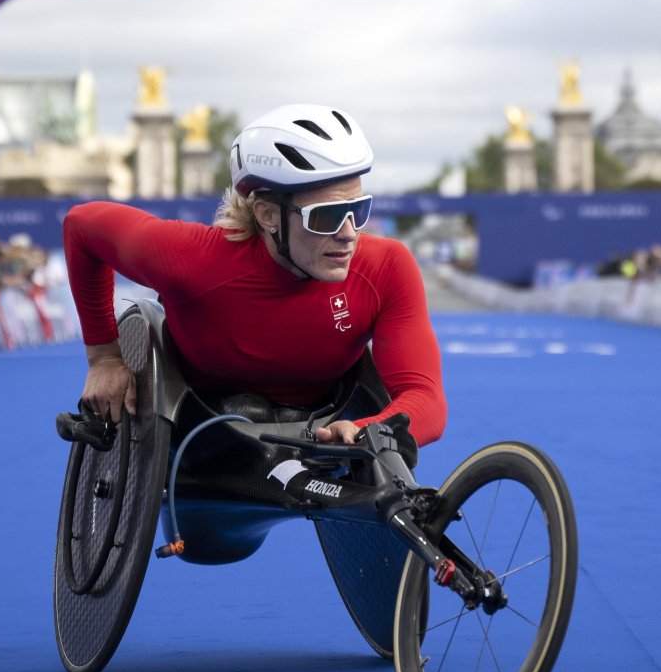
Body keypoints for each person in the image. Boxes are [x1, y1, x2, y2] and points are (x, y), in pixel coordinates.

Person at [64, 104, 446, 449]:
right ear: (266, 215)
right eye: (326, 216)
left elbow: (424, 396)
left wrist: (368, 431)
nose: (348, 233)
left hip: (327, 425)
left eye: (357, 211)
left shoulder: (387, 266)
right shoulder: (192, 259)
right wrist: (103, 358)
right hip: (200, 421)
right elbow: (81, 226)